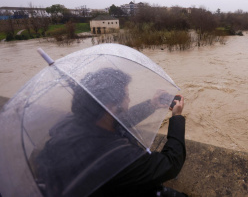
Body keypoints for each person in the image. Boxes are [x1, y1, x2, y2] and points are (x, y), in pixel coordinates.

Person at [35, 68, 187, 197]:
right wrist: (177, 118)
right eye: (126, 95)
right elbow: (171, 164)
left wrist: (151, 105)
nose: (129, 99)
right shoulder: (118, 155)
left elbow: (117, 121)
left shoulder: (68, 124)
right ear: (110, 105)